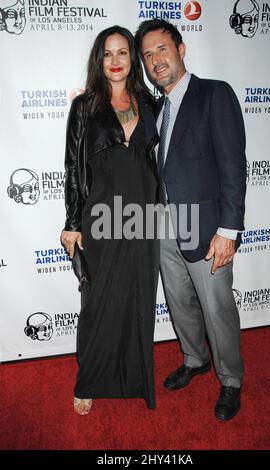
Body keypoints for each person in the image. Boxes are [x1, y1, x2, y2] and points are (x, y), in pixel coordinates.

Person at [135, 19, 246, 421]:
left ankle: (231, 379)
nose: (154, 61)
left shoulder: (214, 94)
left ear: (181, 50)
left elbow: (234, 167)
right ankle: (195, 359)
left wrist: (228, 231)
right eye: (147, 55)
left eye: (161, 49)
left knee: (217, 307)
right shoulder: (156, 108)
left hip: (208, 226)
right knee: (179, 301)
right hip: (165, 223)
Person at [61, 26, 159, 415]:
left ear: (132, 58)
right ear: (98, 60)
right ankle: (89, 381)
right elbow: (71, 167)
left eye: (122, 53)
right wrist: (72, 222)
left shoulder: (150, 102)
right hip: (101, 216)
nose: (115, 61)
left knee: (137, 300)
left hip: (144, 217)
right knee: (98, 302)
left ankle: (135, 379)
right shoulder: (85, 106)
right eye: (108, 54)